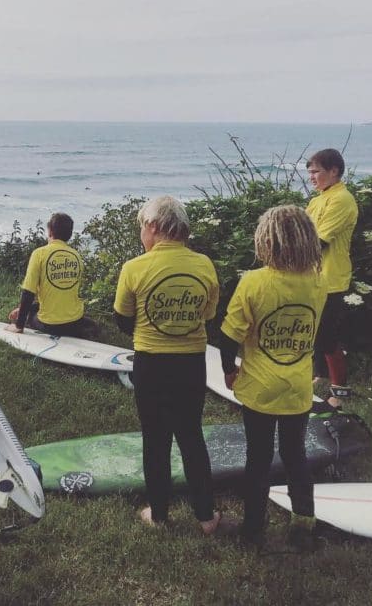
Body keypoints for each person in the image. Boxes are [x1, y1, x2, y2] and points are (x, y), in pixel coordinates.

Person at [113, 196, 225, 534]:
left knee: (155, 440)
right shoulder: (204, 265)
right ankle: (206, 517)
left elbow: (122, 319)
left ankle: (159, 515)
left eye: (141, 228)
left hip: (151, 364)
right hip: (191, 363)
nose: (141, 236)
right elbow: (207, 315)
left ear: (152, 226)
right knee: (192, 436)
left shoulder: (135, 267)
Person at [218, 205, 327, 550]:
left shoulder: (253, 282)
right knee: (296, 456)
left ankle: (252, 530)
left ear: (266, 241)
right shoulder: (317, 282)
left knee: (258, 459)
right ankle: (304, 526)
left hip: (261, 389)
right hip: (297, 386)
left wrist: (228, 369)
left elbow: (229, 336)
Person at [305, 148, 358, 408]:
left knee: (327, 336)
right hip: (312, 276)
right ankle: (320, 375)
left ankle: (340, 392)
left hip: (330, 278)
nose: (311, 177)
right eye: (310, 172)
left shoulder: (342, 200)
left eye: (316, 172)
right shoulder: (318, 199)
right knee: (313, 331)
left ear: (334, 171)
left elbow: (319, 241)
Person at [6, 212, 95, 338]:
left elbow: (28, 293)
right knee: (40, 305)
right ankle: (84, 329)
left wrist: (18, 325)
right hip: (75, 322)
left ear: (50, 232)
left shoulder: (39, 254)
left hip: (50, 325)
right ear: (69, 235)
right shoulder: (76, 256)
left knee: (32, 314)